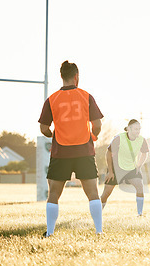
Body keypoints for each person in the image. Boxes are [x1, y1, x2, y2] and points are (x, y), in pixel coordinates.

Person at [38, 60, 103, 237]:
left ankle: (50, 232)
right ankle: (99, 231)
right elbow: (97, 124)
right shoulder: (86, 96)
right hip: (84, 151)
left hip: (61, 152)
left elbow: (44, 128)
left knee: (54, 194)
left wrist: (53, 135)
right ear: (76, 76)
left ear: (61, 76)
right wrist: (93, 136)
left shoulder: (52, 99)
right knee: (92, 193)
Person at [101, 119, 149, 216]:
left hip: (131, 168)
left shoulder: (142, 140)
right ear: (129, 129)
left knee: (140, 186)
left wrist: (139, 166)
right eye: (136, 129)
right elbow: (108, 153)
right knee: (106, 193)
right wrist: (110, 171)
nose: (138, 131)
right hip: (116, 168)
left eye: (139, 129)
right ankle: (98, 211)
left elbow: (145, 153)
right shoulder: (119, 138)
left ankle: (140, 213)